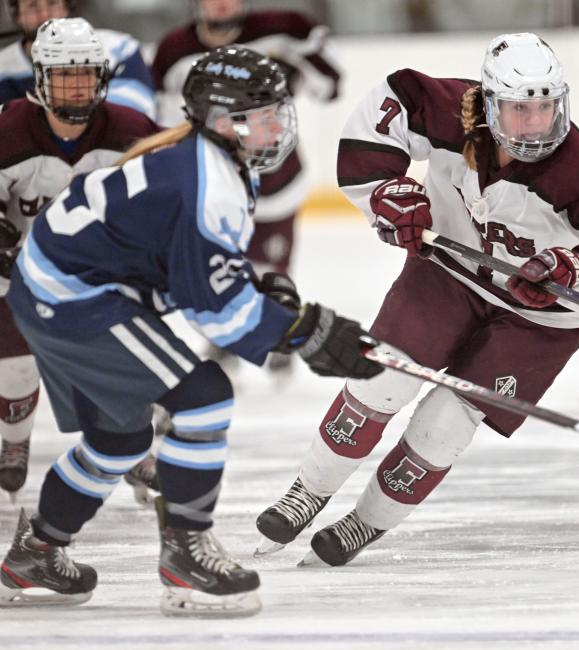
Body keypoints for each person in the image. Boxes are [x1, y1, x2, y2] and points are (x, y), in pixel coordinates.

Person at [0, 46, 380, 615]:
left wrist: (262, 300)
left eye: (281, 110)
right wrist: (304, 333)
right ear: (225, 121)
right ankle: (186, 560)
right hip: (75, 297)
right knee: (203, 398)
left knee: (119, 439)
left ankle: (35, 552)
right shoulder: (209, 178)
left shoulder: (203, 158)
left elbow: (190, 270)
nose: (281, 125)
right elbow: (217, 313)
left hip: (57, 287)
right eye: (267, 113)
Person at [254, 32, 579, 566]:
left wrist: (569, 269)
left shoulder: (578, 171)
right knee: (383, 379)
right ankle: (307, 491)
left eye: (545, 108)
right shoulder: (446, 111)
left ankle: (364, 523)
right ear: (489, 105)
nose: (535, 124)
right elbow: (385, 106)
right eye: (518, 110)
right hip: (448, 273)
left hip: (538, 319)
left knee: (445, 425)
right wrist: (385, 193)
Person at [0, 18, 159, 501]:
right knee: (16, 365)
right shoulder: (7, 130)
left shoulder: (132, 131)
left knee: (127, 358)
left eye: (85, 75)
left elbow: (171, 196)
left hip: (101, 276)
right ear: (40, 79)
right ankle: (14, 442)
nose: (75, 87)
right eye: (64, 75)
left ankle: (131, 445)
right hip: (18, 273)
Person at [152, 0, 341, 377]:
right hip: (212, 179)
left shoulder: (285, 27)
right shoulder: (173, 51)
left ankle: (280, 325)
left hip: (276, 177)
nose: (221, 4)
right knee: (220, 258)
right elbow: (159, 120)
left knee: (273, 259)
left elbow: (329, 87)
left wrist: (304, 58)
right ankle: (229, 332)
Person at [0, 0, 156, 118]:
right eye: (32, 6)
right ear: (16, 14)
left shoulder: (119, 49)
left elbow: (138, 110)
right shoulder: (2, 68)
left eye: (53, 3)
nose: (44, 15)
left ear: (68, 5)